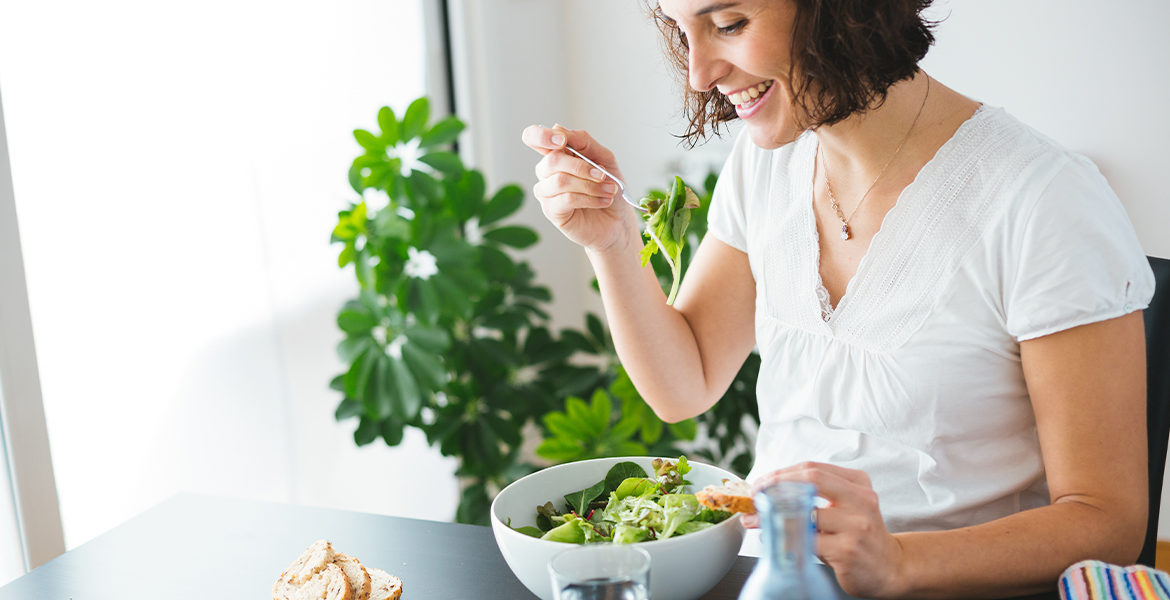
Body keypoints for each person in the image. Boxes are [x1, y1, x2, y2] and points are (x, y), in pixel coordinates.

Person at [521, 1, 1155, 598]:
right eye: (682, 30)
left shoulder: (1044, 201)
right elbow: (685, 384)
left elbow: (1107, 522)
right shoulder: (766, 163)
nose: (699, 74)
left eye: (731, 22)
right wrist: (611, 242)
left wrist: (900, 562)